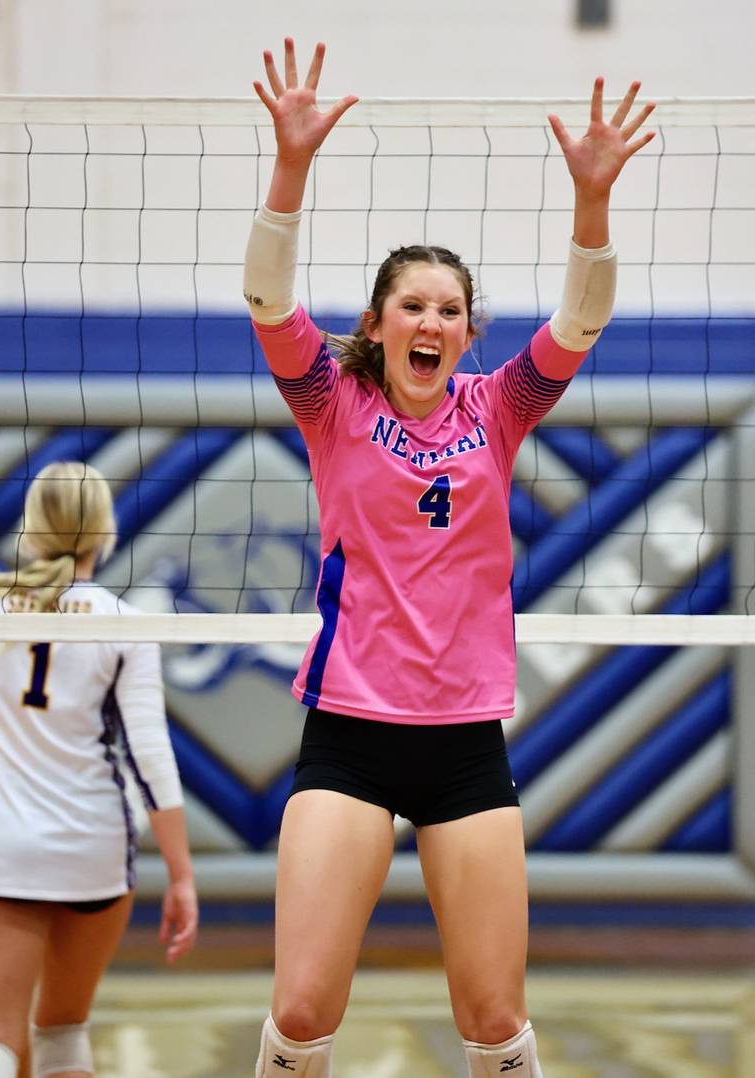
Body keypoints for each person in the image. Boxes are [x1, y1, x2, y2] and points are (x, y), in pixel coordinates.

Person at [244, 39, 655, 1078]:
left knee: (493, 1021)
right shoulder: (330, 405)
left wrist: (591, 196)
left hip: (463, 737)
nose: (429, 321)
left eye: (447, 310)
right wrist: (288, 168)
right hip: (348, 729)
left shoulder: (497, 408)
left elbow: (582, 318)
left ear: (466, 332)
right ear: (377, 327)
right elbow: (265, 302)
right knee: (298, 1011)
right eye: (410, 306)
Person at [0, 461, 198, 1078]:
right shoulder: (125, 624)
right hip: (95, 851)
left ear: (30, 531)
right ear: (104, 533)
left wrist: (16, 753)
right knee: (63, 1035)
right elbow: (151, 757)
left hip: (5, 849)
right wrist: (181, 876)